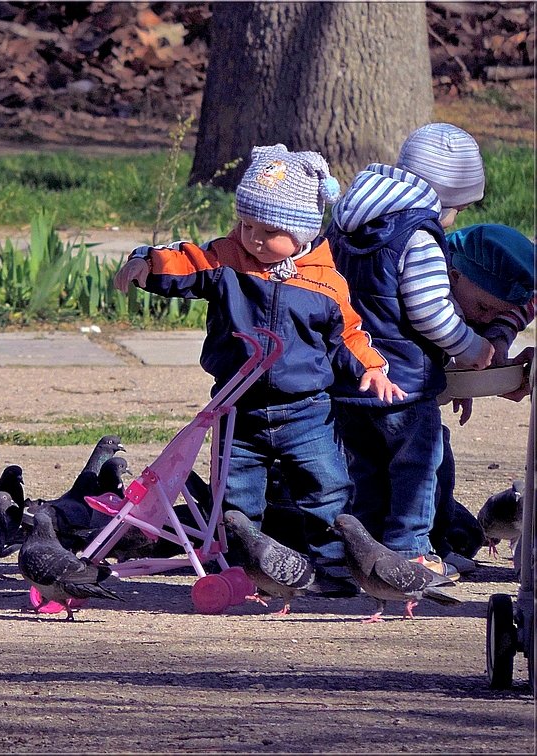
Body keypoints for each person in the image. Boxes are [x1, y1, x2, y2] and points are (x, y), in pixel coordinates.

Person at [114, 144, 403, 596]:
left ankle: (335, 567)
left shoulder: (324, 282)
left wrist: (373, 367)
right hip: (237, 407)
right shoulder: (226, 260)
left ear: (304, 232)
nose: (254, 238)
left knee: (326, 487)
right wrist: (146, 263)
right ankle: (245, 568)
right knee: (235, 494)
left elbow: (350, 334)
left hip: (306, 410)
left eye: (270, 231)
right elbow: (185, 261)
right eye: (247, 224)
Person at [326, 122, 495, 580]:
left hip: (348, 372)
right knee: (416, 466)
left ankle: (364, 552)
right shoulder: (416, 234)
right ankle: (409, 552)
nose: (455, 216)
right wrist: (471, 346)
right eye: (457, 207)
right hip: (402, 380)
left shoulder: (348, 221)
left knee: (365, 467)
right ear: (442, 197)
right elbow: (429, 311)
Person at [430, 224, 536, 573]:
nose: (483, 317)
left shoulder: (480, 294)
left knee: (464, 533)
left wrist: (498, 336)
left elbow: (512, 305)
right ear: (453, 274)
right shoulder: (428, 293)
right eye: (482, 308)